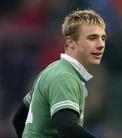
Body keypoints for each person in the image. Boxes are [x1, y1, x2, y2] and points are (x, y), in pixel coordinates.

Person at [12, 9, 106, 138]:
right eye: (92, 38)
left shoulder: (52, 70)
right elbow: (66, 126)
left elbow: (18, 119)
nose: (101, 44)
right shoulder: (64, 77)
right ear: (70, 42)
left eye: (103, 38)